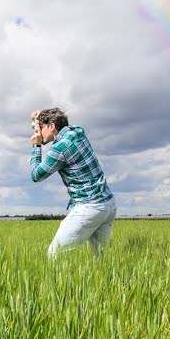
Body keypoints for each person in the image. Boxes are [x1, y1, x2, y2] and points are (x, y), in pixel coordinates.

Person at [29, 108, 116, 258]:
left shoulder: (60, 148)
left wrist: (36, 146)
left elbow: (36, 175)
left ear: (52, 126)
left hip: (90, 206)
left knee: (54, 255)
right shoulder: (77, 132)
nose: (39, 132)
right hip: (108, 204)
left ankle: (55, 282)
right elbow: (58, 118)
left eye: (41, 128)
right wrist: (40, 118)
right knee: (98, 258)